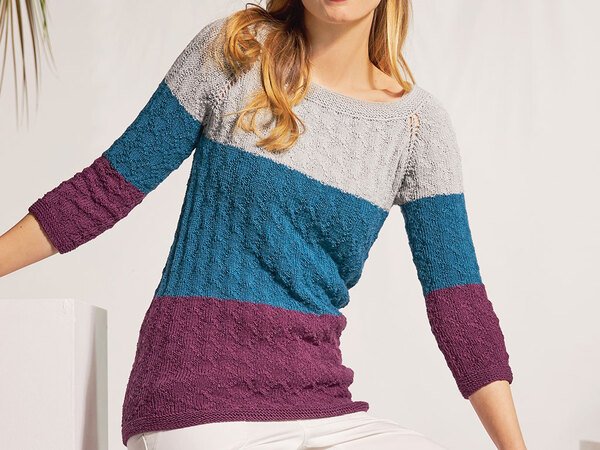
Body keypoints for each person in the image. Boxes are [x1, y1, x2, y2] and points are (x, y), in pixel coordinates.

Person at [0, 0, 527, 448]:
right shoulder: (236, 52)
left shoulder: (417, 127)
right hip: (195, 393)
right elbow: (107, 188)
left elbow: (459, 303)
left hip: (321, 403)